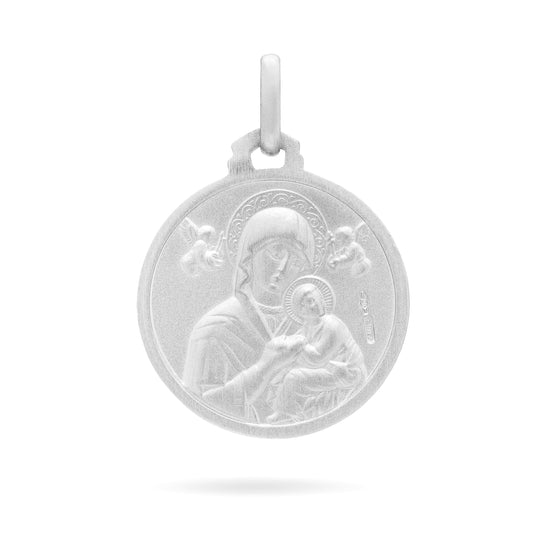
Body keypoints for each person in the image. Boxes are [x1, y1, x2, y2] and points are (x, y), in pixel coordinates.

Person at [266, 282, 367, 423]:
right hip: (329, 369)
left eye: (315, 300)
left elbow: (318, 358)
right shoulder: (307, 328)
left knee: (293, 377)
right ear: (300, 310)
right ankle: (283, 409)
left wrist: (297, 343)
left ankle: (285, 413)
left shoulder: (332, 324)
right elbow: (296, 350)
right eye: (307, 302)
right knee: (281, 374)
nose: (314, 304)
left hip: (347, 372)